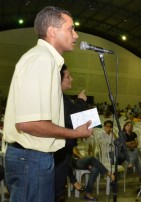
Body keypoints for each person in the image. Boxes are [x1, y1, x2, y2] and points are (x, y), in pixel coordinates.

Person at [3, 6, 92, 202]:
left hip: (34, 158)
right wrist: (75, 133)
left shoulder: (47, 61)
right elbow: (29, 123)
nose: (76, 35)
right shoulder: (41, 60)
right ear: (52, 31)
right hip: (31, 159)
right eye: (71, 29)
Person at [54, 64, 89, 201]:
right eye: (68, 76)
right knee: (57, 188)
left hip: (64, 148)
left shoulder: (63, 97)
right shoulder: (58, 98)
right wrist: (81, 102)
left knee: (59, 185)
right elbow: (72, 119)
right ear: (59, 79)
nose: (71, 79)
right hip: (60, 149)